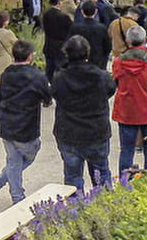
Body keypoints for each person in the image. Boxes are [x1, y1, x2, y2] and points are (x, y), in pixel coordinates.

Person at [0, 39, 53, 205]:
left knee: (14, 160)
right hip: (26, 127)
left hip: (6, 124)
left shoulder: (6, 73)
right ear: (30, 56)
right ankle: (17, 197)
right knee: (29, 154)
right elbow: (47, 97)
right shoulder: (37, 76)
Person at [49, 35, 116, 193]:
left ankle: (74, 211)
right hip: (96, 131)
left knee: (72, 178)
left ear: (67, 53)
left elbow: (55, 94)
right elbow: (110, 89)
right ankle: (106, 209)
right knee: (101, 173)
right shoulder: (101, 76)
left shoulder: (60, 78)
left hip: (69, 132)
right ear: (87, 52)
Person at [112, 25, 147, 174]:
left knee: (127, 150)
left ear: (128, 41)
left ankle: (124, 183)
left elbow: (116, 81)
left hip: (126, 111)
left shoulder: (118, 62)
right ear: (146, 40)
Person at [69, 0, 113, 69]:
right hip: (97, 62)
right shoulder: (102, 28)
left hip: (79, 62)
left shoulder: (75, 28)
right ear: (95, 11)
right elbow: (107, 47)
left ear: (82, 11)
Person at [40, 0, 73, 79]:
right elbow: (70, 31)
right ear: (59, 2)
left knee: (49, 70)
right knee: (60, 70)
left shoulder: (46, 14)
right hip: (61, 46)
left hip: (49, 44)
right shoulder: (64, 17)